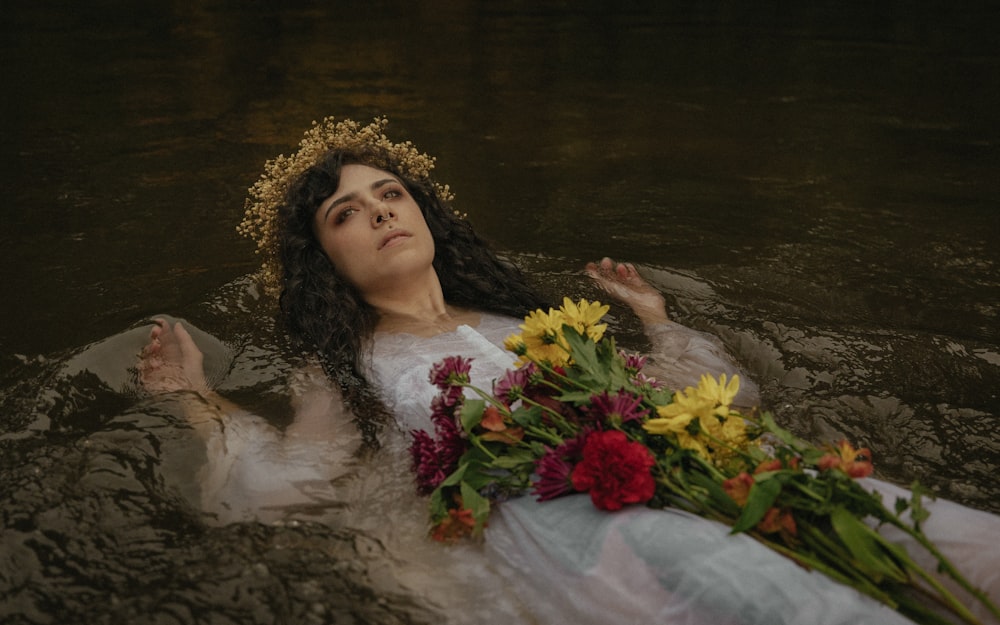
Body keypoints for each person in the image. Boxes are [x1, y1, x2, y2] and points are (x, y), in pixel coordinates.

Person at [140, 117, 999, 625]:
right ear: (327, 261)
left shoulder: (530, 321)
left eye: (390, 194)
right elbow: (294, 487)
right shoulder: (346, 368)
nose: (381, 214)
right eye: (347, 214)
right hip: (572, 521)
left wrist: (657, 323)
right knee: (782, 597)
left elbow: (711, 401)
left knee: (933, 532)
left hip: (694, 466)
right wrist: (196, 403)